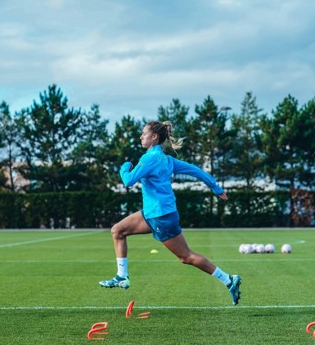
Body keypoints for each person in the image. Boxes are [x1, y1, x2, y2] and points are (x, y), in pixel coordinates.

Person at [99, 120, 242, 305]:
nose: (141, 136)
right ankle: (122, 276)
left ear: (154, 137)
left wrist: (124, 167)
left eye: (144, 133)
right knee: (117, 230)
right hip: (152, 214)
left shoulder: (149, 158)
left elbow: (128, 180)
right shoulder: (167, 159)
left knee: (186, 257)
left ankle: (229, 280)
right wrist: (214, 186)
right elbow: (195, 170)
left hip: (161, 217)